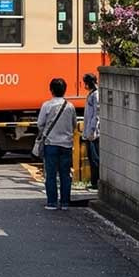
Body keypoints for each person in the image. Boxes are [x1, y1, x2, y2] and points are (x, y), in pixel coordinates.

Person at [37, 77, 78, 211]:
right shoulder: (70, 106)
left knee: (51, 174)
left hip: (51, 144)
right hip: (66, 145)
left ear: (51, 90)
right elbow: (74, 125)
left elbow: (40, 124)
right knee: (65, 174)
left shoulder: (47, 105)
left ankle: (52, 203)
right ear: (64, 90)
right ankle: (65, 203)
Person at [82, 73, 100, 191]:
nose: (85, 85)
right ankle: (94, 182)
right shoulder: (92, 94)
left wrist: (92, 130)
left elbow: (96, 114)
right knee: (92, 157)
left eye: (85, 83)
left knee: (94, 158)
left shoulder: (96, 95)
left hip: (94, 132)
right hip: (90, 131)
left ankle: (96, 182)